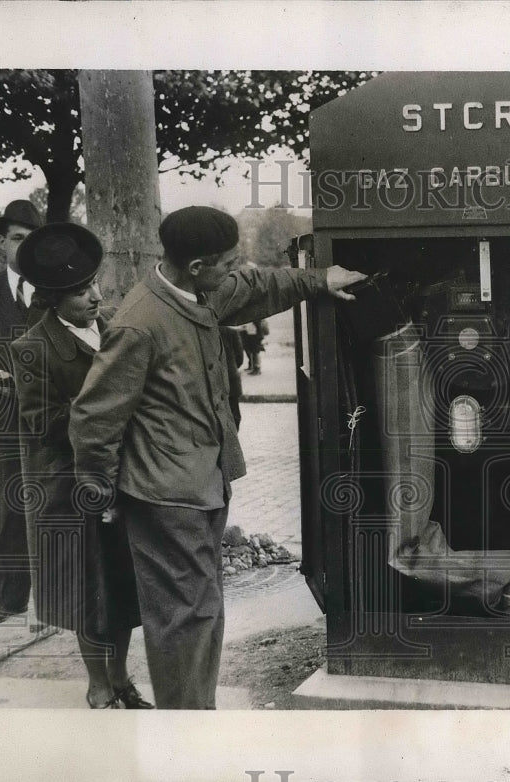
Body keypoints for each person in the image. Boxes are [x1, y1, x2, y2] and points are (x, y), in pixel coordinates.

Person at [69, 206, 366, 709]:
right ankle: (188, 734)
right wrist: (100, 494)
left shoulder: (201, 292)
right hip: (164, 496)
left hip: (203, 484)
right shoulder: (140, 324)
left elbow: (256, 286)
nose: (237, 267)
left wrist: (319, 279)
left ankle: (194, 718)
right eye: (228, 261)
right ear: (198, 265)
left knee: (200, 610)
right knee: (184, 617)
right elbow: (94, 418)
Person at [10, 223, 153, 709]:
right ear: (51, 299)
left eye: (94, 284)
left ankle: (122, 678)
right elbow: (40, 423)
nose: (94, 297)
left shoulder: (115, 325)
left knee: (123, 583)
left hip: (121, 474)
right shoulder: (33, 346)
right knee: (88, 588)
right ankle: (98, 685)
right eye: (78, 292)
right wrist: (103, 410)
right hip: (68, 486)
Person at [0, 199, 44, 622]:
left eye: (33, 241)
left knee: (60, 502)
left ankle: (59, 598)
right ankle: (9, 600)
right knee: (11, 503)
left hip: (51, 413)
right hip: (3, 417)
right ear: (2, 243)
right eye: (17, 239)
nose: (24, 248)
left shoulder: (55, 293)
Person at [220, 326, 245, 430]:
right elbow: (240, 357)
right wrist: (233, 366)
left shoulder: (207, 330)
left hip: (213, 378)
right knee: (234, 411)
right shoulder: (232, 332)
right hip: (231, 376)